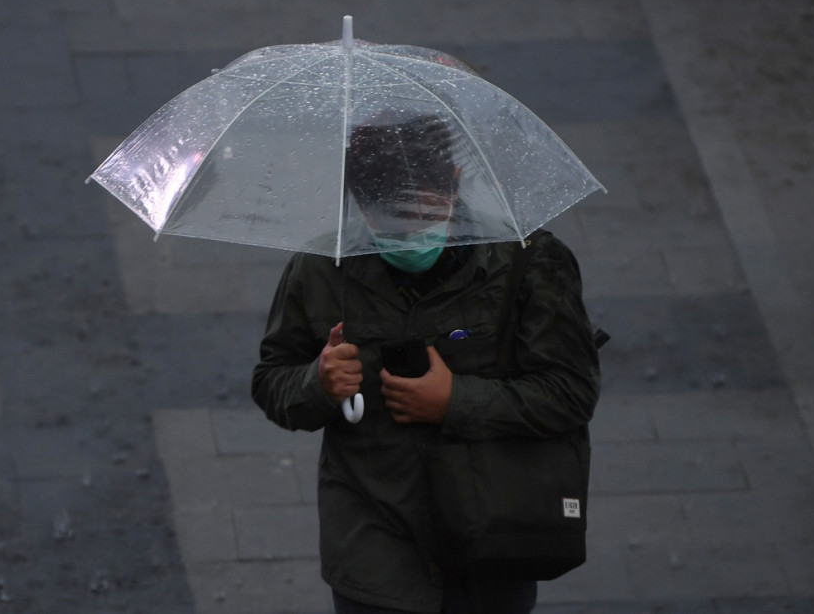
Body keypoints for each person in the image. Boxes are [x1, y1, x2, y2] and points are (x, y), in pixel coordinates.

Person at [251, 114, 600, 614]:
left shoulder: (527, 262)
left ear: (455, 183)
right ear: (357, 201)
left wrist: (455, 401)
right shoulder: (322, 270)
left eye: (424, 213)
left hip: (495, 540)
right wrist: (318, 382)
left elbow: (572, 392)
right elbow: (271, 382)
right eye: (389, 219)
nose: (409, 234)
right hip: (375, 552)